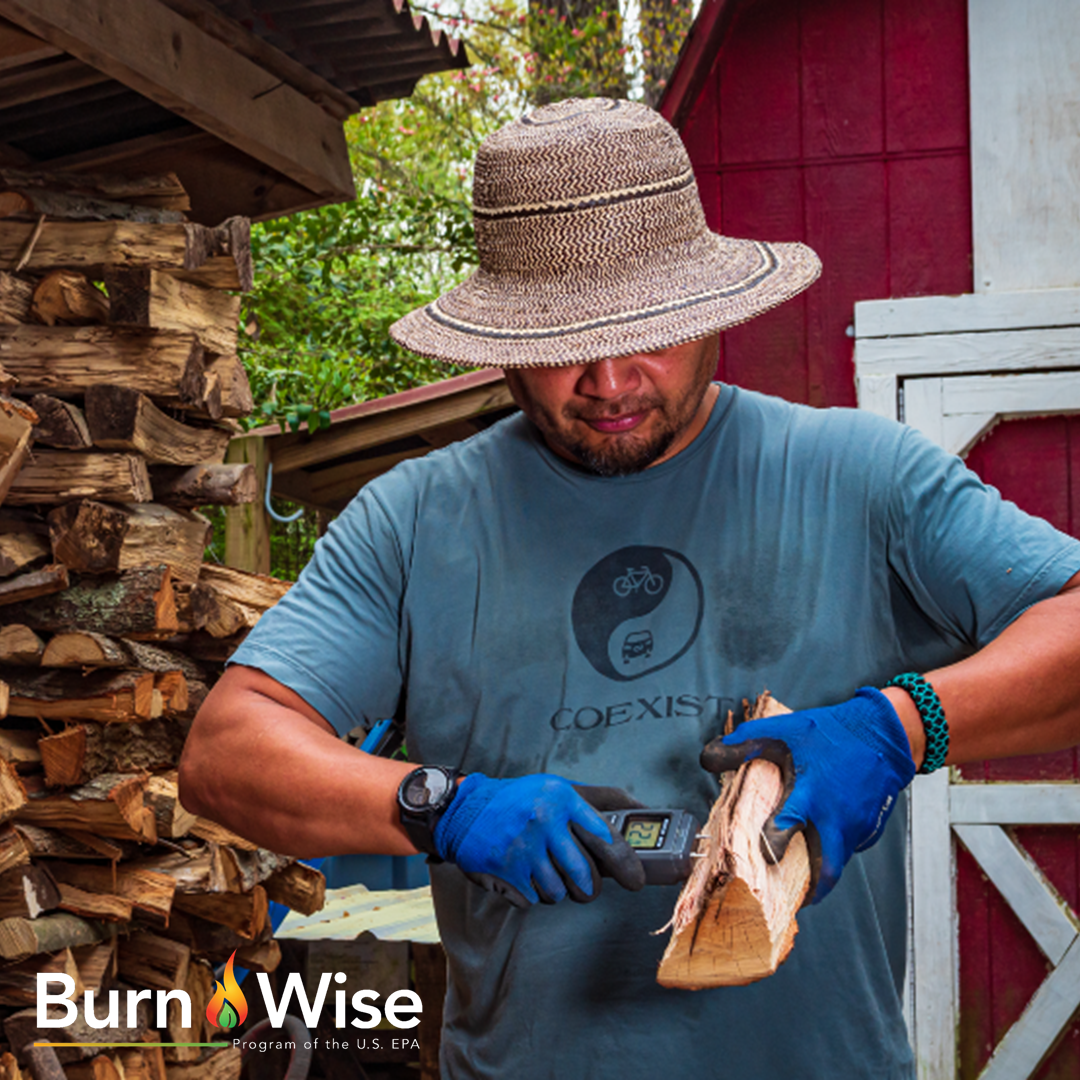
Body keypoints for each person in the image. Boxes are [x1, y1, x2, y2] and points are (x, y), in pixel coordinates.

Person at [179, 98, 1080, 1079]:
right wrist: (440, 805)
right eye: (561, 342)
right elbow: (227, 751)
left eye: (648, 331)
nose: (608, 380)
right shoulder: (416, 520)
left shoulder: (862, 477)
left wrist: (903, 727)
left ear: (710, 313)